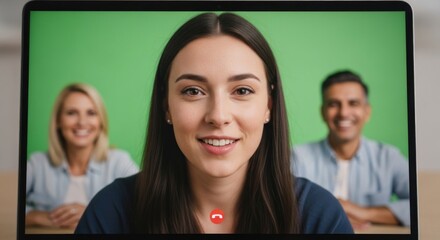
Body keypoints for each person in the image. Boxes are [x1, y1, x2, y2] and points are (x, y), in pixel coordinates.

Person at [75, 13, 353, 234]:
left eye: (242, 91)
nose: (218, 116)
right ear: (166, 107)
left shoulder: (319, 215)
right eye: (193, 91)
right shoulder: (111, 212)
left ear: (269, 106)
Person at [292, 70, 410, 229]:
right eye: (334, 104)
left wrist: (363, 212)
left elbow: (421, 205)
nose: (344, 113)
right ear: (322, 112)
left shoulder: (388, 157)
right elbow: (278, 206)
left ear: (367, 112)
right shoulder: (297, 157)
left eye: (353, 103)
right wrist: (332, 216)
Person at [26, 83, 139, 229]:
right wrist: (35, 217)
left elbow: (148, 206)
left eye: (91, 113)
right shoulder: (37, 163)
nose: (82, 122)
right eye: (72, 113)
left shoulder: (119, 162)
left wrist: (93, 213)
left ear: (101, 122)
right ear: (58, 121)